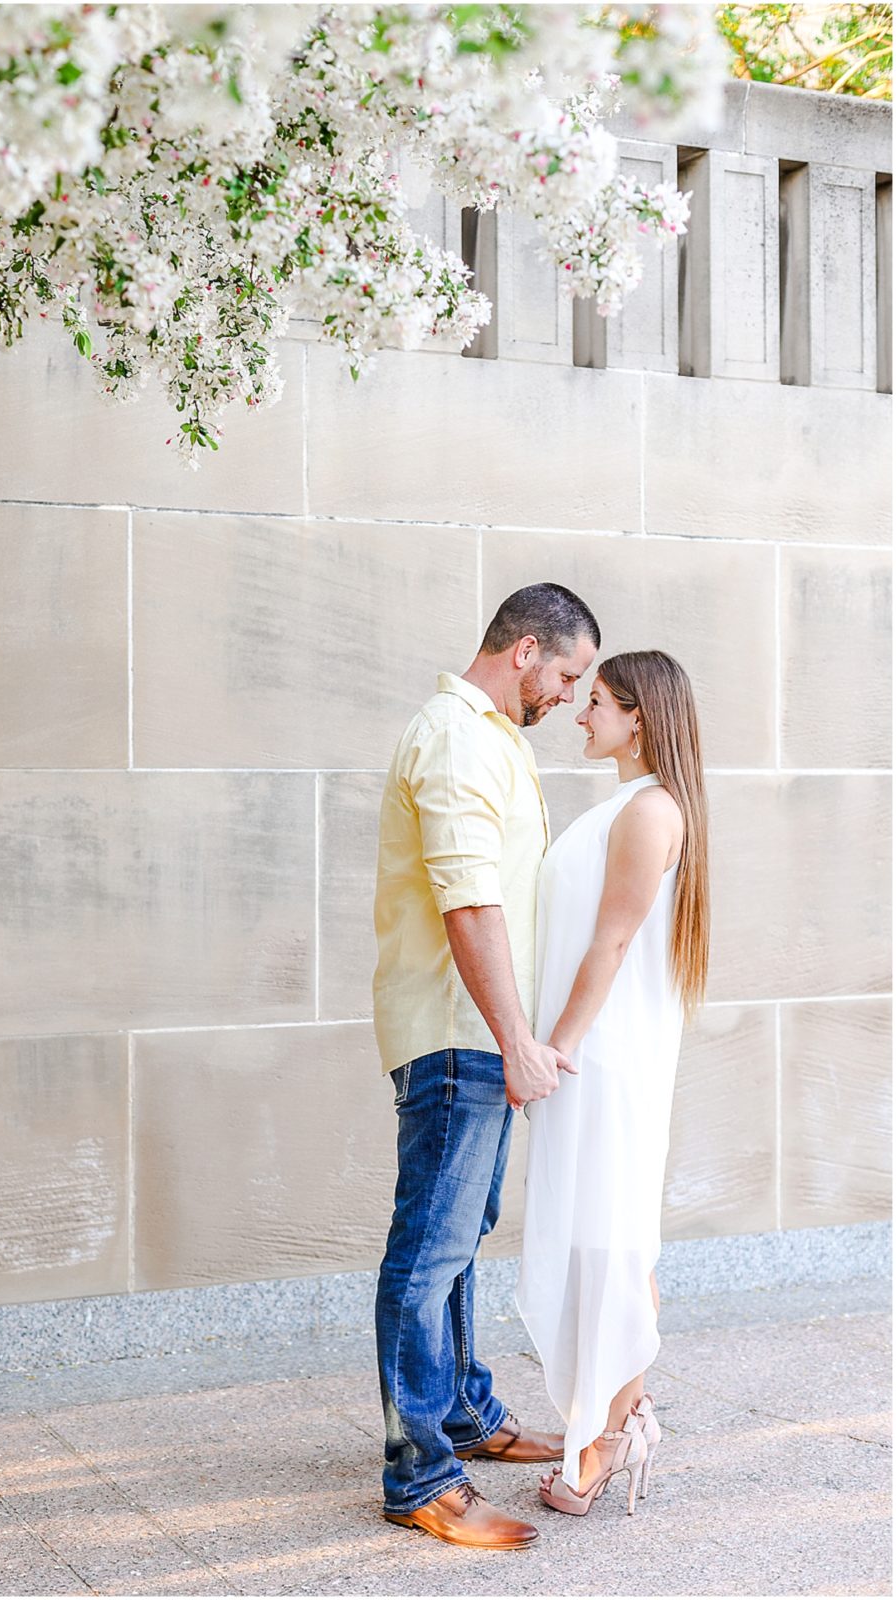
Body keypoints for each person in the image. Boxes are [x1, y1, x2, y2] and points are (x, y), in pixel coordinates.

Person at [372, 583, 601, 1551]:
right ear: (524, 652)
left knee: (460, 1234)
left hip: (480, 1032)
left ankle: (461, 1413)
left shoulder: (492, 735)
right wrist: (513, 1038)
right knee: (428, 1251)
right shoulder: (460, 735)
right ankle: (419, 1471)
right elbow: (470, 904)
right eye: (567, 673)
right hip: (459, 1032)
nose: (568, 695)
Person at [515, 650, 710, 1516]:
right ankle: (613, 1420)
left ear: (638, 716)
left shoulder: (648, 811)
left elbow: (614, 942)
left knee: (610, 1236)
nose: (578, 713)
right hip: (591, 1050)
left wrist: (552, 1047)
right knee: (603, 1233)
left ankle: (604, 1433)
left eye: (593, 702)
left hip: (602, 1054)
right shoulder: (629, 805)